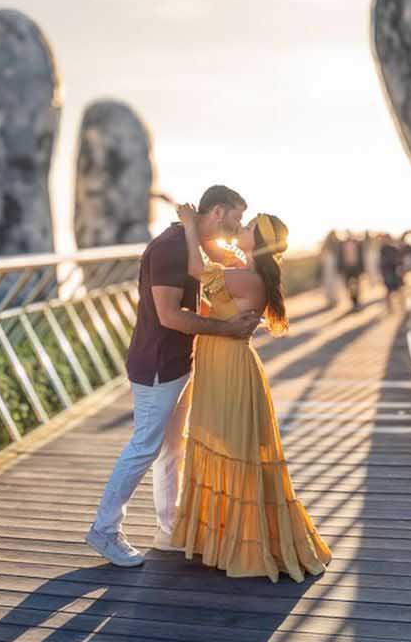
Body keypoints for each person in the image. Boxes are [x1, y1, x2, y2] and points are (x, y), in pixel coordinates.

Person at [85, 185, 259, 568]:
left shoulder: (190, 242)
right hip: (158, 363)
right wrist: (227, 329)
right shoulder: (169, 248)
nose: (238, 225)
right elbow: (169, 316)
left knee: (171, 449)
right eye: (236, 217)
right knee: (144, 447)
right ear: (216, 212)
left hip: (178, 361)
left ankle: (168, 529)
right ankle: (104, 530)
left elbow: (218, 268)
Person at [170, 205, 331, 581]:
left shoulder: (246, 276)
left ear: (256, 241)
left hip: (230, 368)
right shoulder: (245, 270)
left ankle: (241, 545)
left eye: (248, 226)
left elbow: (197, 270)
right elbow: (212, 262)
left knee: (232, 450)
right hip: (220, 363)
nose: (240, 227)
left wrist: (190, 227)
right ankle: (222, 540)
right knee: (221, 446)